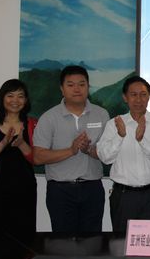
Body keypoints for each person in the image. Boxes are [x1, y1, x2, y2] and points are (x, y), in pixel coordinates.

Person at [33, 65, 110, 234]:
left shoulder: (101, 114)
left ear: (88, 87)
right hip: (60, 190)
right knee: (63, 242)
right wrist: (71, 150)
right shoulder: (49, 117)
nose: (77, 89)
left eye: (82, 84)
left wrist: (88, 150)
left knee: (92, 241)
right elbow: (38, 157)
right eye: (70, 85)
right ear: (62, 88)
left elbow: (108, 154)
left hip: (92, 188)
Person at [97, 76, 150, 232]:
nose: (138, 100)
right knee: (122, 243)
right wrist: (120, 136)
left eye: (143, 94)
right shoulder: (114, 124)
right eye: (133, 95)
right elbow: (105, 157)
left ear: (149, 96)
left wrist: (142, 140)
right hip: (124, 196)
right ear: (125, 97)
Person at [0, 79, 37, 235]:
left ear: (26, 100)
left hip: (26, 189)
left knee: (25, 237)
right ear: (2, 98)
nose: (15, 100)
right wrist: (4, 143)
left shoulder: (33, 124)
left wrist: (22, 144)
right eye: (10, 95)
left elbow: (37, 159)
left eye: (20, 96)